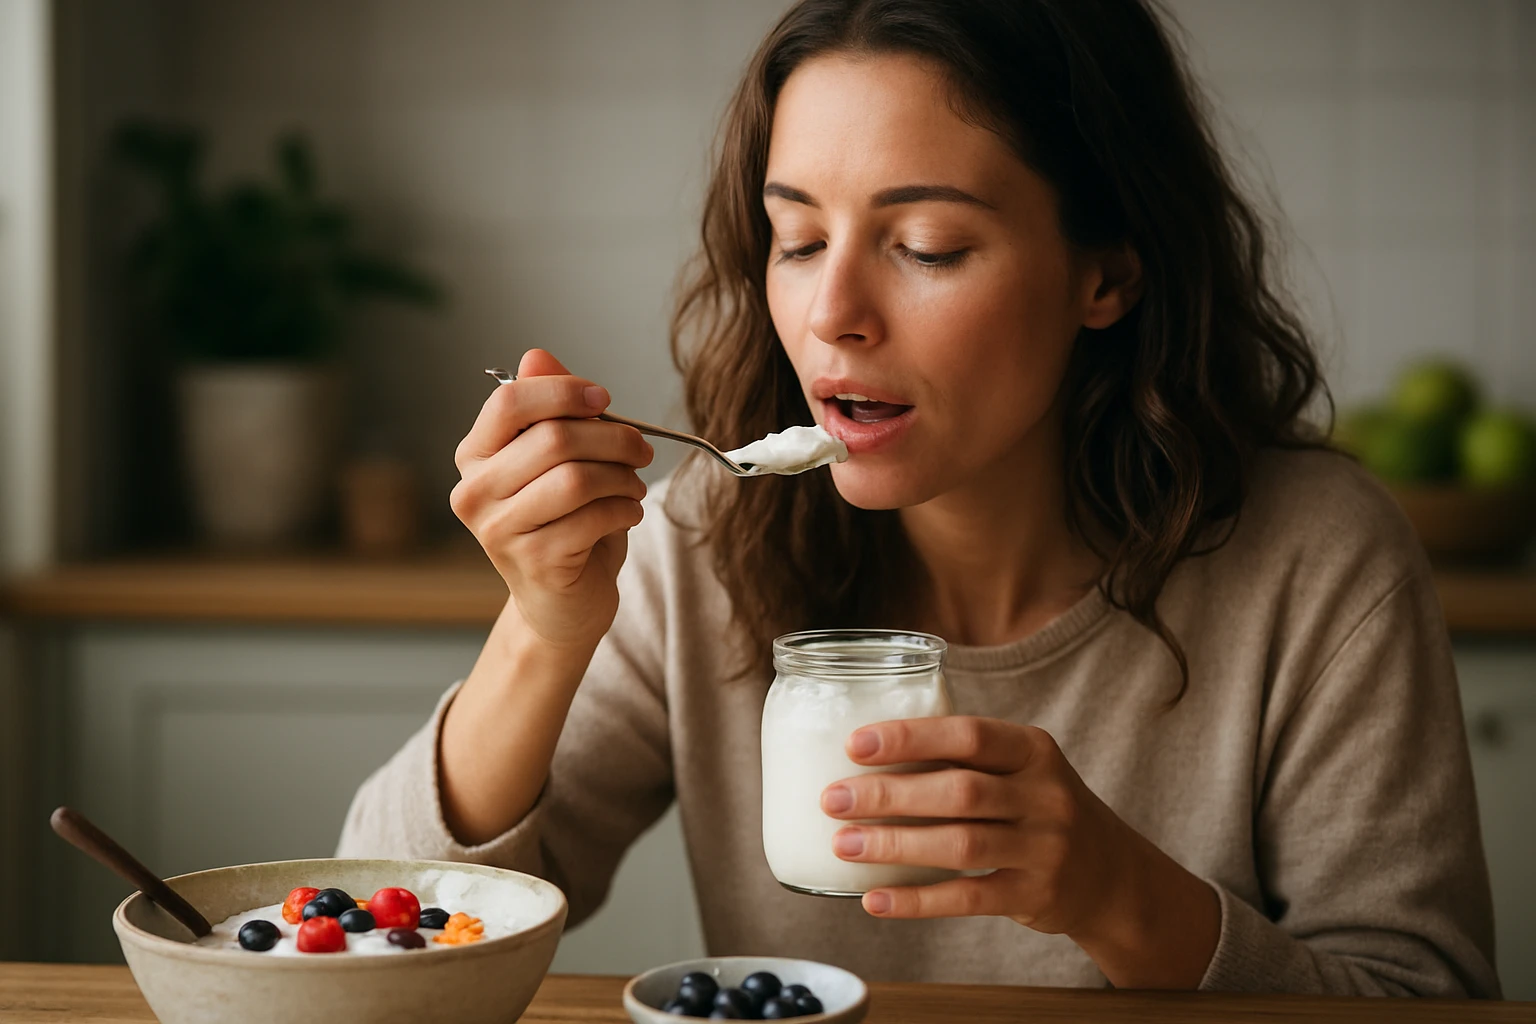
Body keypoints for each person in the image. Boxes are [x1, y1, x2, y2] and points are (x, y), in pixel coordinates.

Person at [338, 0, 1500, 996]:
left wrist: (1119, 893)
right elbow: (371, 936)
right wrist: (543, 630)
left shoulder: (1318, 559)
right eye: (795, 237)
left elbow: (1423, 998)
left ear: (1107, 272)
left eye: (929, 245)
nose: (833, 310)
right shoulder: (708, 537)